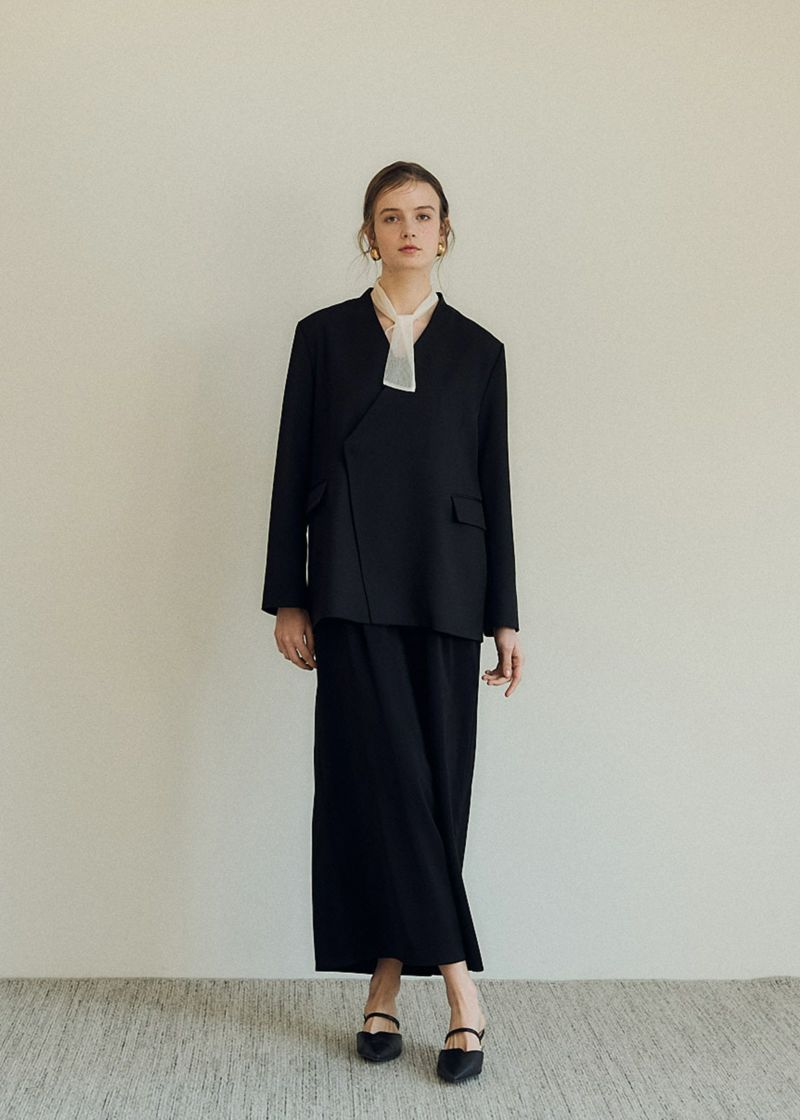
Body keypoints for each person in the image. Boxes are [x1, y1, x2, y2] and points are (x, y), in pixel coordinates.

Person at [261, 161, 524, 1083]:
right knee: (383, 778)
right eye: (389, 215)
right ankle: (461, 993)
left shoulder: (481, 351)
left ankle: (382, 984)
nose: (408, 228)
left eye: (423, 214)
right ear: (368, 234)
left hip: (449, 587)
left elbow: (494, 486)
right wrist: (289, 593)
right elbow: (291, 467)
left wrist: (505, 616)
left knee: (435, 788)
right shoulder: (323, 337)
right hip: (350, 582)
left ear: (445, 231)